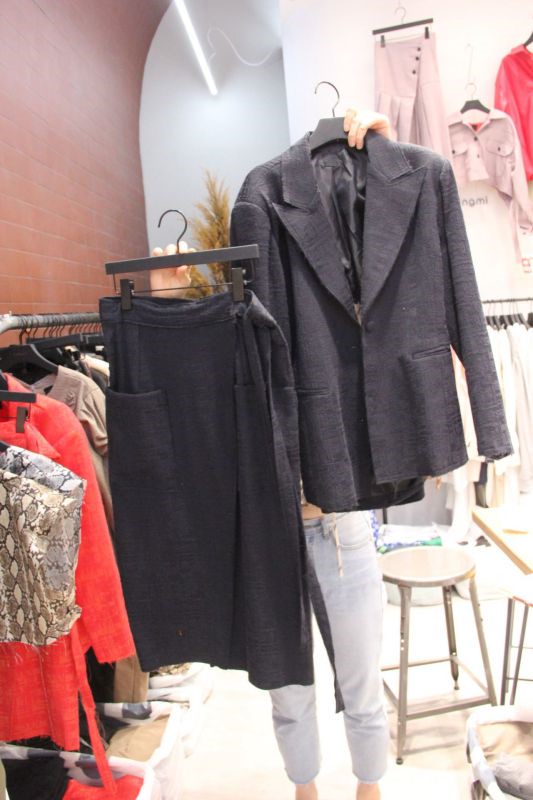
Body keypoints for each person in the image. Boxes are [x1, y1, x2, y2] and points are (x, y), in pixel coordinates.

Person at [151, 109, 393, 800]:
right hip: (273, 526)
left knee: (361, 681)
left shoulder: (340, 317)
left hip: (341, 525)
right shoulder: (239, 331)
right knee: (289, 688)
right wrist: (173, 298)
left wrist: (378, 152)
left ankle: (370, 789)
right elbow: (198, 396)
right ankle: (304, 790)